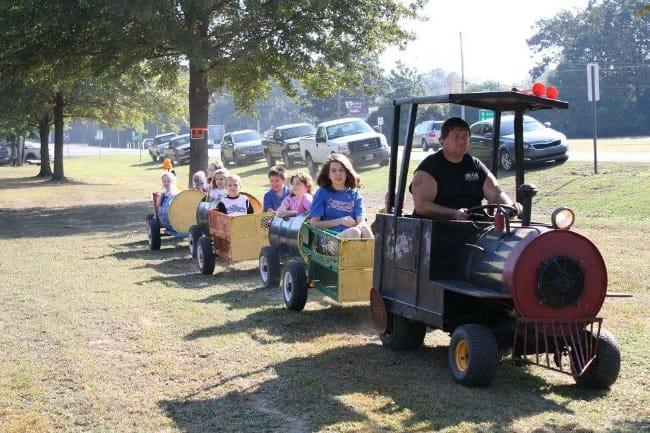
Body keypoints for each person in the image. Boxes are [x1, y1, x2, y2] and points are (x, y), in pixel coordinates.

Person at [410, 117, 521, 220]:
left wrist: (510, 207)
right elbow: (422, 206)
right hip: (436, 232)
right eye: (456, 136)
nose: (462, 141)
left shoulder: (475, 165)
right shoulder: (429, 167)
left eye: (465, 137)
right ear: (442, 140)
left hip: (473, 229)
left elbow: (496, 193)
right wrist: (454, 214)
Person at [309, 153, 373, 239]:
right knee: (354, 232)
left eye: (341, 170)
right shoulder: (321, 193)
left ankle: (374, 252)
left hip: (353, 234)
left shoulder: (354, 193)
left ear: (347, 172)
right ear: (328, 174)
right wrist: (340, 221)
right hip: (328, 240)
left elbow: (361, 220)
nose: (338, 173)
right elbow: (314, 224)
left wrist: (361, 225)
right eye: (333, 170)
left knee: (366, 230)